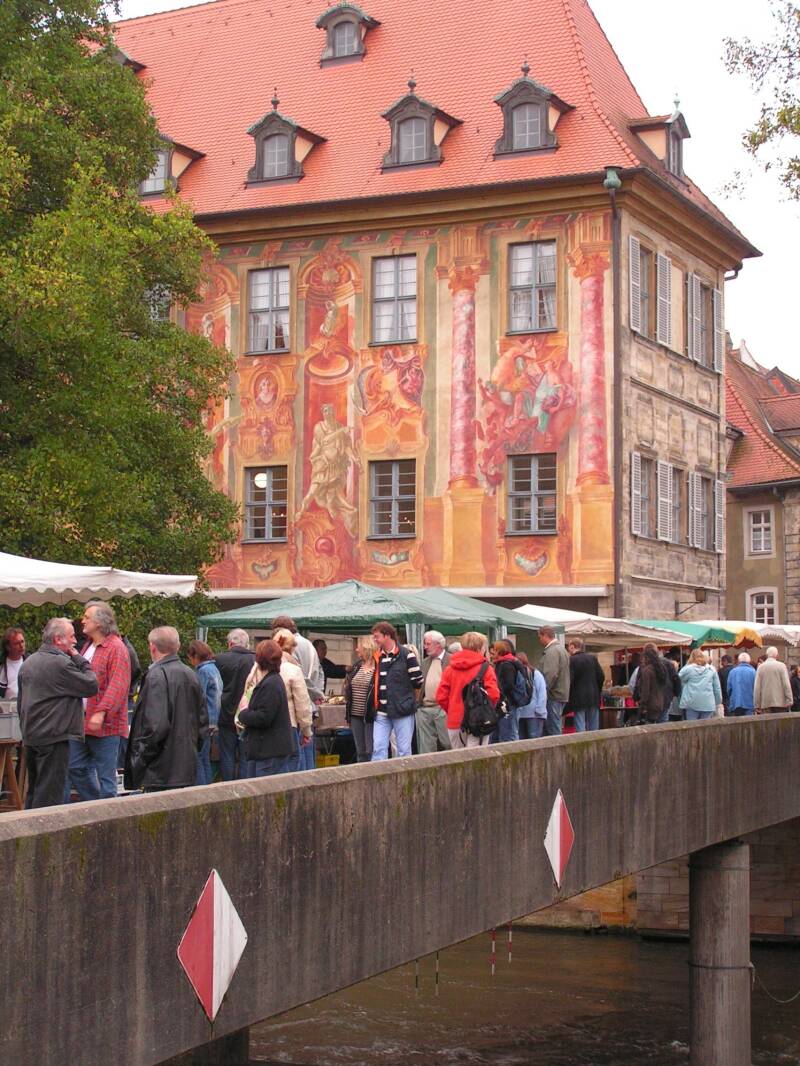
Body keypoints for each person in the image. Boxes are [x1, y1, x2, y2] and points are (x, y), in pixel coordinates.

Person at [17, 618, 98, 808]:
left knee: (35, 790)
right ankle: (43, 836)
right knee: (49, 795)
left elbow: (21, 702)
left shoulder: (29, 662)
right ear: (58, 639)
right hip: (54, 736)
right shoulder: (60, 664)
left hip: (31, 735)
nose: (75, 641)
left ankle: (27, 833)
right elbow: (91, 685)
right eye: (71, 637)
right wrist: (79, 658)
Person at [125, 627, 207, 792]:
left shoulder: (156, 676)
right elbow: (202, 722)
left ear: (152, 647)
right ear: (177, 646)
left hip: (159, 770)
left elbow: (155, 727)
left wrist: (139, 760)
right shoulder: (191, 674)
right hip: (185, 765)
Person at [67, 601, 131, 801]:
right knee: (75, 767)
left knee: (106, 777)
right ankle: (97, 807)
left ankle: (107, 819)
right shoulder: (87, 645)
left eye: (87, 617)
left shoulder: (116, 648)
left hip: (106, 725)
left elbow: (118, 685)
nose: (82, 620)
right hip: (83, 722)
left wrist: (101, 712)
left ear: (100, 622)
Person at [238, 639, 298, 777]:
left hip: (269, 751)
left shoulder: (271, 684)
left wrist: (243, 713)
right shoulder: (271, 680)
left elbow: (264, 717)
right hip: (266, 749)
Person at [272, 615, 324, 770]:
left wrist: (315, 693)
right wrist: (318, 693)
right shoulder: (309, 644)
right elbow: (320, 672)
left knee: (297, 753)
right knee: (308, 750)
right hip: (309, 704)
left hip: (297, 705)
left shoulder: (288, 646)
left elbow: (298, 676)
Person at [368, 621, 423, 760]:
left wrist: (409, 702)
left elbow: (418, 681)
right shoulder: (376, 657)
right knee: (378, 748)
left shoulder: (407, 655)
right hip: (381, 712)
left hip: (402, 710)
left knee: (403, 751)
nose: (374, 639)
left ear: (387, 636)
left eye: (376, 636)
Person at [436, 631, 501, 749]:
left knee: (458, 760)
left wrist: (452, 709)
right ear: (481, 648)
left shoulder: (450, 669)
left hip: (455, 721)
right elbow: (493, 695)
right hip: (480, 721)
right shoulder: (486, 668)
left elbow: (441, 697)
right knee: (478, 761)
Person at [215, 629, 255, 781]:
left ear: (230, 643)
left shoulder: (219, 660)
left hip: (226, 714)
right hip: (247, 715)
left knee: (227, 756)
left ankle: (227, 788)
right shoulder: (255, 661)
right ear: (247, 644)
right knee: (246, 757)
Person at [187, 640, 223, 785]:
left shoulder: (202, 671)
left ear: (195, 656)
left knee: (199, 759)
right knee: (206, 760)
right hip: (214, 719)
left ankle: (200, 789)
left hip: (204, 720)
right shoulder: (213, 668)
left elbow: (198, 696)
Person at [416, 630, 452, 754]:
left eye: (428, 644)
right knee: (426, 746)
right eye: (425, 644)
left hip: (444, 708)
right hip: (425, 709)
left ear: (438, 644)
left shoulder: (451, 660)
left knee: (448, 743)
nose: (425, 647)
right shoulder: (425, 662)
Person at [344, 636, 377, 762]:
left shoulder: (378, 667)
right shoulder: (357, 666)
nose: (356, 649)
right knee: (360, 751)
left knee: (371, 750)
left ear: (367, 647)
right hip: (355, 715)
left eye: (359, 647)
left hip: (370, 715)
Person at [489, 639, 528, 741]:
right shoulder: (509, 662)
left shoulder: (506, 665)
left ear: (499, 651)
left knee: (508, 734)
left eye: (494, 650)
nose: (492, 652)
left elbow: (508, 685)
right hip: (508, 703)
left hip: (508, 704)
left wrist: (497, 690)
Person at [566, 638, 605, 732]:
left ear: (572, 647)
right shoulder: (592, 658)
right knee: (594, 726)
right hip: (593, 696)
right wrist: (597, 690)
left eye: (568, 648)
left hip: (578, 697)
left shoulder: (571, 660)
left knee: (580, 725)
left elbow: (570, 680)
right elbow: (601, 676)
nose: (568, 650)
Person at [539, 626, 570, 736]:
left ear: (545, 635)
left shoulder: (552, 651)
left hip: (553, 694)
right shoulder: (562, 650)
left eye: (540, 637)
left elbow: (550, 674)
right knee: (555, 725)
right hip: (561, 693)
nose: (540, 640)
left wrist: (543, 692)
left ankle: (558, 752)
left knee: (553, 727)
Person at [678, 649, 722, 721]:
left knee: (692, 727)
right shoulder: (712, 670)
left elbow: (679, 679)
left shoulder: (687, 669)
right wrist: (718, 701)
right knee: (705, 727)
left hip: (691, 702)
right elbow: (717, 688)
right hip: (708, 703)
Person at [635, 643, 672, 724]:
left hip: (650, 706)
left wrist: (642, 705)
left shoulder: (647, 670)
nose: (642, 660)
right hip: (661, 703)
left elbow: (646, 691)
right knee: (662, 727)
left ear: (646, 658)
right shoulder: (661, 668)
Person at [515, 651, 548, 739]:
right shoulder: (519, 674)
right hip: (524, 713)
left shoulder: (535, 674)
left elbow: (542, 692)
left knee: (532, 739)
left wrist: (540, 710)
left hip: (534, 714)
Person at [754, 646, 793, 715]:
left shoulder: (761, 667)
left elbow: (757, 687)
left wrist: (757, 704)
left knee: (767, 725)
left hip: (765, 704)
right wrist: (789, 700)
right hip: (781, 703)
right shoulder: (782, 666)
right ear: (777, 655)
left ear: (766, 655)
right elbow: (786, 684)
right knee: (780, 725)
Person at [0, 626, 27, 699]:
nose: (21, 646)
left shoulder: (30, 662)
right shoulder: (2, 666)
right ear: (8, 647)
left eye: (22, 641)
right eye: (17, 643)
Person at [726, 652, 756, 717]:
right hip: (750, 703)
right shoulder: (753, 672)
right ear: (749, 661)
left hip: (736, 703)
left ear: (739, 661)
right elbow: (756, 688)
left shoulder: (732, 672)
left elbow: (729, 689)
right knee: (749, 724)